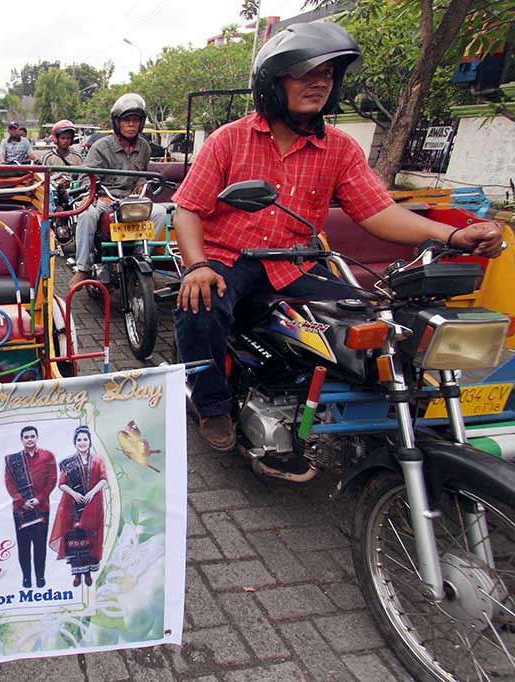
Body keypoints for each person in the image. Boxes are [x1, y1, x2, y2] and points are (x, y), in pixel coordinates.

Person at [172, 22, 505, 480]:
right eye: (305, 72)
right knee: (200, 306)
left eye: (328, 74)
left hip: (295, 264)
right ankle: (211, 403)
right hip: (231, 259)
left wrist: (449, 236)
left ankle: (394, 415)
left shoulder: (341, 148)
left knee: (374, 319)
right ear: (272, 82)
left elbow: (378, 213)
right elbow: (187, 209)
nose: (319, 82)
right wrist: (197, 266)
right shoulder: (230, 138)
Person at [69, 93, 169, 288]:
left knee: (160, 213)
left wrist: (141, 184)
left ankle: (140, 258)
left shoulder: (144, 147)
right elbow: (85, 178)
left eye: (135, 120)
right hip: (104, 197)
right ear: (117, 123)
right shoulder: (101, 147)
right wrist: (99, 195)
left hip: (131, 200)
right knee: (86, 215)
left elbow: (141, 173)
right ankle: (83, 268)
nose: (131, 125)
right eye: (126, 120)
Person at [50, 427, 108, 587]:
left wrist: (92, 492)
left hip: (93, 505)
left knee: (90, 538)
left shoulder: (98, 460)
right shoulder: (68, 463)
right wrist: (74, 494)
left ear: (89, 442)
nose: (82, 443)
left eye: (85, 439)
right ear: (75, 442)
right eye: (79, 440)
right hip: (73, 506)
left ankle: (88, 573)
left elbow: (104, 479)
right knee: (75, 539)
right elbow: (61, 484)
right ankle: (77, 574)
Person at [3, 426, 57, 589]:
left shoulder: (48, 456)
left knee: (40, 546)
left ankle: (40, 578)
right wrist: (21, 501)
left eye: (32, 436)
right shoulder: (14, 461)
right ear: (21, 440)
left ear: (37, 437)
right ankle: (26, 579)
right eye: (26, 437)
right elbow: (9, 482)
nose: (29, 439)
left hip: (42, 508)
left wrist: (39, 499)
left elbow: (53, 479)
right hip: (20, 510)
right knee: (24, 546)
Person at [39, 119, 84, 188]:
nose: (66, 141)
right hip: (54, 192)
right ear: (56, 138)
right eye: (62, 138)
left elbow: (82, 178)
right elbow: (43, 179)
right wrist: (57, 184)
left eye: (68, 138)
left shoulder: (77, 157)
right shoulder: (49, 157)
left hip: (74, 193)